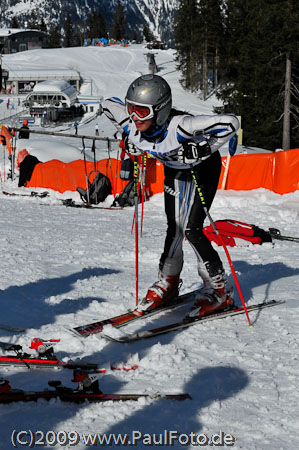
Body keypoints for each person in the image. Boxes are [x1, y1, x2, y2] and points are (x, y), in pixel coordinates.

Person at [102, 74, 240, 318]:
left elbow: (230, 123)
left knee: (192, 230)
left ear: (161, 110)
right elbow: (108, 104)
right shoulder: (132, 126)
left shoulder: (182, 126)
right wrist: (125, 137)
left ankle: (219, 289)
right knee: (174, 228)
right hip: (175, 170)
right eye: (131, 108)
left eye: (142, 112)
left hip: (203, 169)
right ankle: (168, 284)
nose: (134, 117)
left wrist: (203, 148)